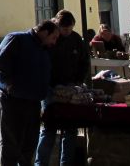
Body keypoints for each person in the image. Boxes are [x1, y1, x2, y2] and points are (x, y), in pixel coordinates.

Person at [0, 20, 59, 166]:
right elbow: (0, 64)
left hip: (33, 101)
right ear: (44, 32)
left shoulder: (43, 49)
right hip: (11, 99)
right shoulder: (17, 39)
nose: (54, 42)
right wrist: (10, 85)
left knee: (29, 143)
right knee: (10, 142)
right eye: (53, 37)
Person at [35, 10, 91, 166]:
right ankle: (41, 163)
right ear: (57, 26)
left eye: (70, 28)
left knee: (70, 129)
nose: (67, 32)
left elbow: (84, 61)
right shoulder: (49, 40)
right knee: (49, 129)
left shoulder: (76, 39)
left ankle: (65, 163)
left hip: (71, 88)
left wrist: (78, 81)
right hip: (50, 89)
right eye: (64, 29)